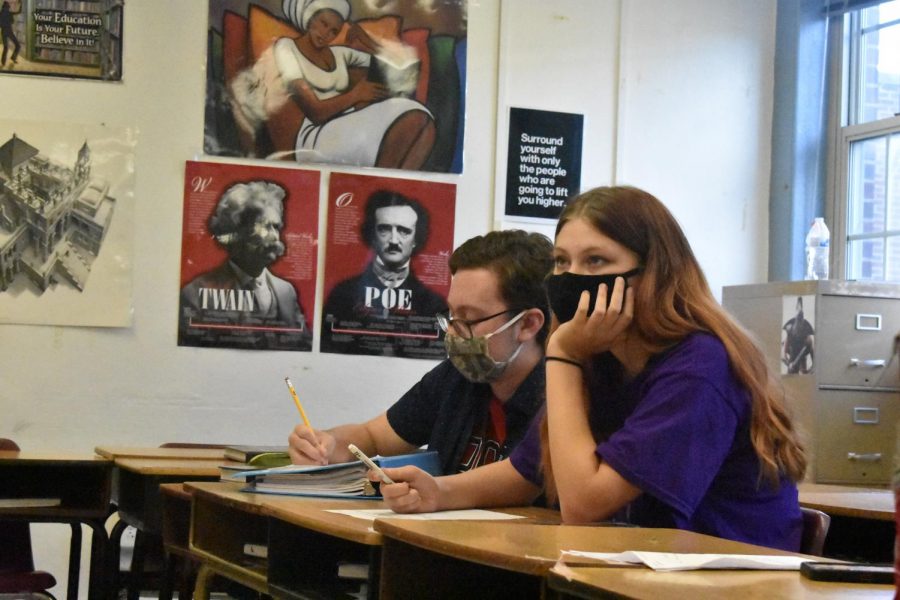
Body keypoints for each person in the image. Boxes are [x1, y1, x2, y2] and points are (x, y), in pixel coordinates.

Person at [376, 186, 808, 552]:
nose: (572, 277)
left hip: (728, 584)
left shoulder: (699, 366)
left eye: (596, 262)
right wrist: (440, 492)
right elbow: (528, 472)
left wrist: (561, 355)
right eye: (562, 262)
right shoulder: (606, 359)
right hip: (640, 571)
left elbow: (582, 506)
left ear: (651, 272)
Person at [290, 229, 554, 476]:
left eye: (469, 319)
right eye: (451, 316)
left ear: (528, 324)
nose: (452, 332)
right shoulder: (455, 378)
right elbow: (372, 436)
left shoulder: (563, 397)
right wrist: (330, 445)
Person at [271, 0, 436, 169]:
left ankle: (391, 189)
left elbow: (397, 65)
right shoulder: (287, 47)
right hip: (317, 134)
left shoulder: (339, 54)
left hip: (348, 120)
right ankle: (383, 189)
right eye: (323, 23)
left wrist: (365, 38)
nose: (326, 33)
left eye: (334, 31)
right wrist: (356, 95)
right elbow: (315, 112)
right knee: (411, 121)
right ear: (310, 19)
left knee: (422, 120)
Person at [179, 180, 311, 351]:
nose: (274, 236)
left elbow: (304, 349)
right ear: (237, 232)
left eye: (276, 227)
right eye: (265, 226)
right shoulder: (194, 295)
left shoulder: (286, 292)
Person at [320, 190, 448, 358]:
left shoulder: (434, 305)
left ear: (416, 238)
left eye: (404, 231)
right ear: (372, 235)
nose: (394, 241)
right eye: (385, 230)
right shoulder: (342, 295)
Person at [782, 296, 814, 374]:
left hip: (802, 359)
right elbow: (784, 355)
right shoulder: (790, 334)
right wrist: (789, 364)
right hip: (792, 357)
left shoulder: (808, 341)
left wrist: (808, 371)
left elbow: (814, 361)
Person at [0, 1, 19, 68]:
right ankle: (13, 58)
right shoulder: (9, 13)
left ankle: (3, 62)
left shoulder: (1, 13)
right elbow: (12, 21)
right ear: (8, 7)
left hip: (3, 32)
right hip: (9, 31)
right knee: (17, 45)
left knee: (5, 47)